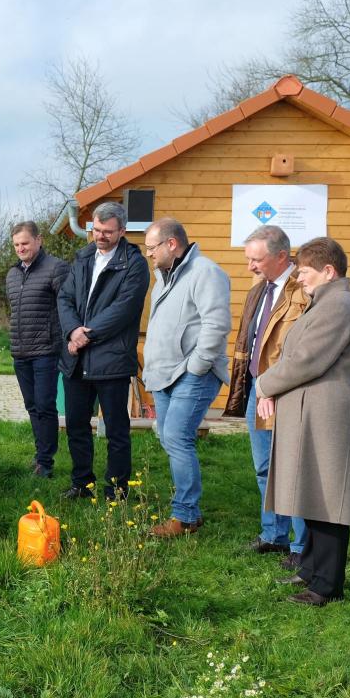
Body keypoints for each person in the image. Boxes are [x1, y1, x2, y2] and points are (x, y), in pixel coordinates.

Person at [257, 237, 350, 606]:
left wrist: (264, 385)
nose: (299, 279)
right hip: (311, 412)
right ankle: (311, 569)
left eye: (304, 272)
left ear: (328, 271)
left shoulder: (338, 305)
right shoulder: (326, 301)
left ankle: (326, 585)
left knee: (329, 498)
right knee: (313, 493)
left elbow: (306, 359)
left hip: (325, 415)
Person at [221, 226, 309, 565]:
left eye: (256, 259)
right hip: (259, 389)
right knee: (265, 467)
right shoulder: (260, 290)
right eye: (249, 259)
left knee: (293, 470)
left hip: (287, 391)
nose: (250, 267)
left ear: (281, 256)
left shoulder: (302, 289)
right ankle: (274, 535)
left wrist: (273, 386)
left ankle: (303, 546)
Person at [142, 218, 231, 538]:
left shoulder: (205, 272)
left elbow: (217, 324)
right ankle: (188, 510)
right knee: (168, 437)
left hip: (192, 374)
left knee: (177, 437)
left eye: (152, 247)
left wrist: (198, 365)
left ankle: (185, 516)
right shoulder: (163, 278)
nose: (149, 254)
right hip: (165, 375)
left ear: (171, 244)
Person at [56, 202, 150, 501]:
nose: (100, 236)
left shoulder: (133, 263)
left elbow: (123, 309)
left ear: (122, 231)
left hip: (111, 358)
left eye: (107, 232)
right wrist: (73, 331)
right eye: (96, 230)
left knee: (116, 430)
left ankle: (116, 489)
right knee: (76, 424)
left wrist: (87, 335)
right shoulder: (83, 257)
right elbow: (65, 297)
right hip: (76, 356)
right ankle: (82, 483)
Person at [5, 220, 69, 479]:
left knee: (45, 405)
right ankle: (40, 454)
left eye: (25, 243)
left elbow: (67, 308)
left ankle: (45, 461)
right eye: (17, 245)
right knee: (32, 406)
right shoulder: (12, 274)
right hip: (20, 352)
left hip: (46, 350)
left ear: (38, 240)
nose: (21, 248)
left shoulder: (56, 268)